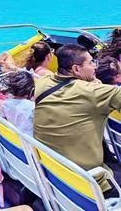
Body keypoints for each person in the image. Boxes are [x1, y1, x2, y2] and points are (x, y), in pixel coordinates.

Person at [34, 44, 121, 197]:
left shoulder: (42, 83)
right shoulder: (94, 93)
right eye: (90, 62)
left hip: (55, 175)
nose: (95, 66)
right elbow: (89, 94)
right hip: (91, 184)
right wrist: (93, 87)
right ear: (76, 69)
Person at [0, 71, 35, 136]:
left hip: (14, 140)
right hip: (29, 142)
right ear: (31, 90)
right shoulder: (32, 107)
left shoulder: (5, 104)